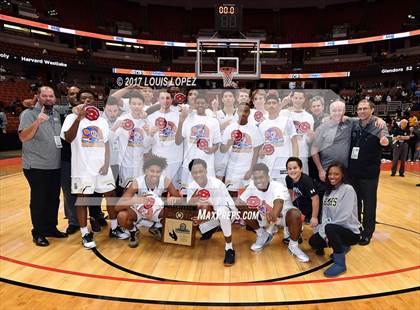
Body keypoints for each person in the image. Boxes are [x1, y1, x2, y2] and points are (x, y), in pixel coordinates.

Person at [61, 89, 129, 249]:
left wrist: (106, 163)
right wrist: (79, 117)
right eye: (83, 98)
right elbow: (69, 138)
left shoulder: (101, 120)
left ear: (94, 101)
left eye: (90, 99)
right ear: (78, 101)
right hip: (82, 168)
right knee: (82, 200)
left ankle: (114, 228)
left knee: (110, 195)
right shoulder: (71, 117)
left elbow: (105, 142)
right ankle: (85, 233)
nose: (87, 101)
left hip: (101, 167)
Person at [19, 86, 67, 246]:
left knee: (53, 199)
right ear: (37, 97)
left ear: (55, 99)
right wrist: (37, 122)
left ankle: (50, 228)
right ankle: (38, 232)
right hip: (36, 165)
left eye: (51, 96)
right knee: (39, 200)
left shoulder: (56, 114)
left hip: (55, 165)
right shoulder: (28, 114)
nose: (48, 98)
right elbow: (23, 137)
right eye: (44, 96)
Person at [238, 163, 310, 262]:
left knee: (295, 214)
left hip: (283, 217)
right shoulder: (252, 186)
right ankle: (261, 234)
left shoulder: (277, 186)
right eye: (255, 178)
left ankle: (293, 246)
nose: (258, 181)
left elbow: (279, 202)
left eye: (261, 177)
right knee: (241, 209)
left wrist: (273, 216)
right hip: (266, 215)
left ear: (268, 177)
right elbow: (240, 202)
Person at [115, 155, 180, 247]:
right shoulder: (137, 182)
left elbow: (179, 199)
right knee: (122, 216)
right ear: (146, 171)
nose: (155, 174)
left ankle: (157, 227)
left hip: (156, 210)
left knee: (174, 212)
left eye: (158, 172)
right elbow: (118, 206)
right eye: (152, 171)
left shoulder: (165, 181)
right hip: (138, 210)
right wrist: (137, 200)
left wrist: (173, 199)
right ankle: (133, 231)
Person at [309, 162, 361, 277]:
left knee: (330, 228)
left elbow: (344, 216)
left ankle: (340, 263)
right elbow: (325, 216)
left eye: (336, 174)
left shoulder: (348, 189)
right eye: (330, 174)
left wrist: (328, 231)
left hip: (350, 232)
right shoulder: (328, 192)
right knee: (314, 241)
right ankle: (342, 246)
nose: (332, 177)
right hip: (332, 229)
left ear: (342, 175)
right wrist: (323, 233)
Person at [348, 99, 389, 246]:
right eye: (359, 109)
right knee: (355, 204)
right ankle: (357, 229)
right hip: (353, 173)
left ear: (372, 110)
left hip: (369, 175)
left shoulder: (379, 125)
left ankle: (367, 233)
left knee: (369, 205)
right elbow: (341, 117)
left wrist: (384, 140)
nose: (362, 111)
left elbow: (385, 138)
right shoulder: (354, 123)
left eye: (365, 109)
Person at [187, 159, 237, 266]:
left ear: (206, 170)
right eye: (195, 172)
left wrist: (203, 218)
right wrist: (193, 201)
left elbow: (221, 209)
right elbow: (189, 207)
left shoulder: (217, 184)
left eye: (201, 171)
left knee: (221, 214)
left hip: (228, 212)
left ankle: (229, 248)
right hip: (210, 213)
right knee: (198, 211)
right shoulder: (191, 186)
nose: (198, 174)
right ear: (191, 173)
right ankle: (210, 228)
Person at [176, 94, 221, 190]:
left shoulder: (214, 121)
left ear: (207, 105)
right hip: (189, 163)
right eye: (198, 103)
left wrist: (211, 149)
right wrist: (181, 121)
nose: (200, 105)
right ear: (194, 105)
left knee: (207, 194)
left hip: (207, 164)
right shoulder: (188, 118)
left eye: (203, 103)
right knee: (187, 194)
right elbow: (178, 141)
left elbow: (216, 144)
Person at [110, 93, 153, 189]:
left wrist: (148, 133)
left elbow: (147, 145)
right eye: (134, 103)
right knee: (127, 190)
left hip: (140, 163)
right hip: (125, 163)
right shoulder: (122, 119)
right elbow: (111, 140)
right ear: (129, 105)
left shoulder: (146, 121)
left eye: (139, 104)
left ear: (143, 105)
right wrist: (114, 128)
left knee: (139, 190)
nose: (136, 106)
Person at [220, 101, 263, 196]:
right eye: (241, 111)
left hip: (248, 169)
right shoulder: (229, 128)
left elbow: (256, 153)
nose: (243, 113)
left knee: (250, 197)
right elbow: (222, 150)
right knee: (231, 196)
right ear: (237, 111)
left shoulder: (254, 129)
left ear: (249, 113)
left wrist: (251, 170)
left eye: (246, 111)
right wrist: (229, 143)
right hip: (232, 170)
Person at [258, 94, 299, 183]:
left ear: (278, 105)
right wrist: (261, 152)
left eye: (274, 103)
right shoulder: (262, 125)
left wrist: (295, 161)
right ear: (265, 106)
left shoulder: (287, 120)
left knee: (286, 193)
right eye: (269, 103)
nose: (271, 105)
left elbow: (295, 142)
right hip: (268, 165)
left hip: (284, 165)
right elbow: (261, 147)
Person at [147, 91, 183, 187]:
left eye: (168, 98)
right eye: (162, 98)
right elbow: (147, 142)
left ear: (171, 100)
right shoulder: (151, 117)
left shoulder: (178, 115)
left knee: (174, 191)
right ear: (158, 100)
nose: (165, 101)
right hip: (158, 159)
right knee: (158, 189)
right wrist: (150, 134)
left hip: (176, 159)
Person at [280, 90, 315, 174]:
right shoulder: (284, 113)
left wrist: (311, 137)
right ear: (291, 98)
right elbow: (269, 115)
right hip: (285, 153)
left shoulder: (309, 117)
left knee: (302, 181)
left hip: (302, 154)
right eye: (295, 98)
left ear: (304, 99)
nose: (297, 100)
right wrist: (282, 104)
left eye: (300, 98)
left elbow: (308, 140)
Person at [285, 157, 320, 227]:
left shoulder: (306, 181)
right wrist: (294, 206)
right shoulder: (288, 178)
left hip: (316, 202)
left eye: (295, 168)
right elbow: (291, 191)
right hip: (304, 199)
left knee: (312, 223)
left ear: (301, 169)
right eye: (290, 169)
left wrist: (314, 217)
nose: (292, 171)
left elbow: (316, 198)